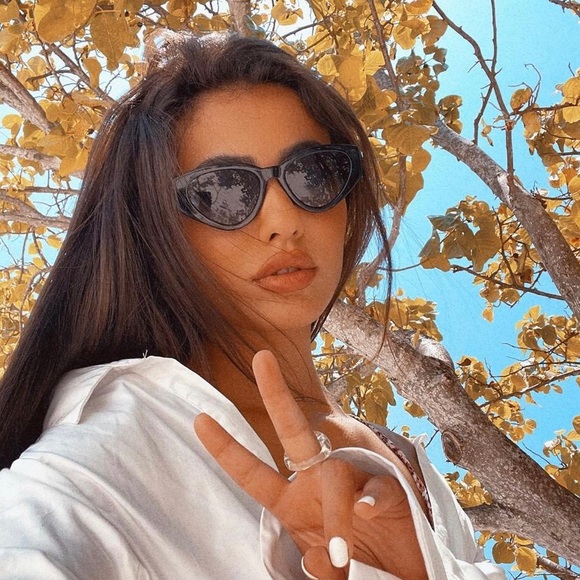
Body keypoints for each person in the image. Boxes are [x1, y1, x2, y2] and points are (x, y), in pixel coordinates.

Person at [0, 32, 505, 579]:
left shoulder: (416, 471)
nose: (284, 220)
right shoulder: (118, 439)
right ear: (158, 229)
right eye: (223, 192)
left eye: (312, 173)